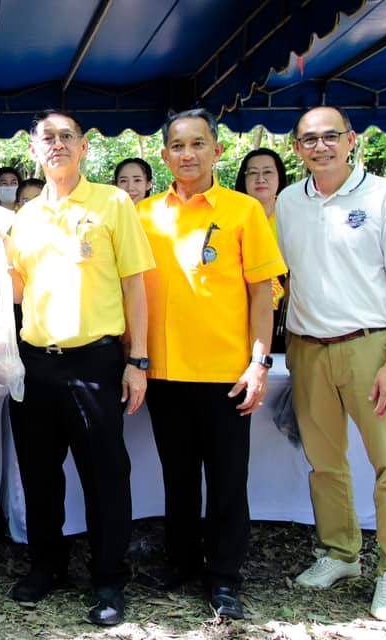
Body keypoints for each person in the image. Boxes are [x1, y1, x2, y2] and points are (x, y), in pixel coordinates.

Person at [3, 109, 154, 627]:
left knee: (105, 475)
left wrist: (137, 360)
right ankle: (46, 566)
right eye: (47, 137)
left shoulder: (112, 203)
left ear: (85, 146)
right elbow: (17, 290)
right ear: (33, 149)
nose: (58, 144)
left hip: (95, 362)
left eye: (67, 136)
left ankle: (109, 578)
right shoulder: (24, 217)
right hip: (34, 364)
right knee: (39, 474)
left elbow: (135, 284)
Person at [277, 106, 386, 622]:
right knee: (324, 461)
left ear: (351, 139)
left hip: (370, 345)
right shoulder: (288, 201)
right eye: (309, 139)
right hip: (306, 347)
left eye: (330, 136)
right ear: (297, 148)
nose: (320, 147)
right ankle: (340, 552)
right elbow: (282, 276)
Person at [138, 109, 286, 620]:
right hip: (164, 372)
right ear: (165, 156)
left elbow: (263, 293)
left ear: (217, 151)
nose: (188, 154)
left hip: (226, 373)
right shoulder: (144, 216)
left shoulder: (243, 211)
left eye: (198, 144)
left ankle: (223, 577)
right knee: (177, 477)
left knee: (227, 481)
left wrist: (259, 362)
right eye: (178, 146)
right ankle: (180, 561)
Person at [234, 148, 289, 353]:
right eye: (253, 173)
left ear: (279, 177)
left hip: (285, 314)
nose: (260, 179)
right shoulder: (231, 215)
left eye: (267, 172)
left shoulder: (293, 215)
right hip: (241, 312)